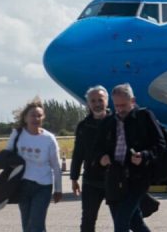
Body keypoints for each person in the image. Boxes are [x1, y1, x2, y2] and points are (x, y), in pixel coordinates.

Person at [96, 83, 166, 232]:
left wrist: (144, 156)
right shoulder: (109, 122)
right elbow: (97, 147)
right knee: (136, 224)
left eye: (123, 105)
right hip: (114, 178)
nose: (120, 110)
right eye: (116, 106)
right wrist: (101, 157)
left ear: (132, 101)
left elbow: (160, 145)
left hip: (137, 178)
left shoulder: (144, 117)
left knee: (121, 223)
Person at [8, 99, 63, 232]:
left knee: (36, 223)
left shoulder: (49, 138)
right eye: (32, 115)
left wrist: (58, 189)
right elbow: (7, 157)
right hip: (22, 185)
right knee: (27, 224)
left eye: (39, 115)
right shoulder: (17, 134)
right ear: (25, 117)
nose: (36, 118)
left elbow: (56, 166)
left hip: (43, 186)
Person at [71, 85, 111, 231]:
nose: (97, 104)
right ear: (88, 104)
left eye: (100, 100)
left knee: (124, 219)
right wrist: (74, 177)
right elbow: (78, 154)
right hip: (91, 181)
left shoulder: (116, 122)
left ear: (107, 101)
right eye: (93, 101)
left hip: (113, 179)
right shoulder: (83, 126)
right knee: (87, 221)